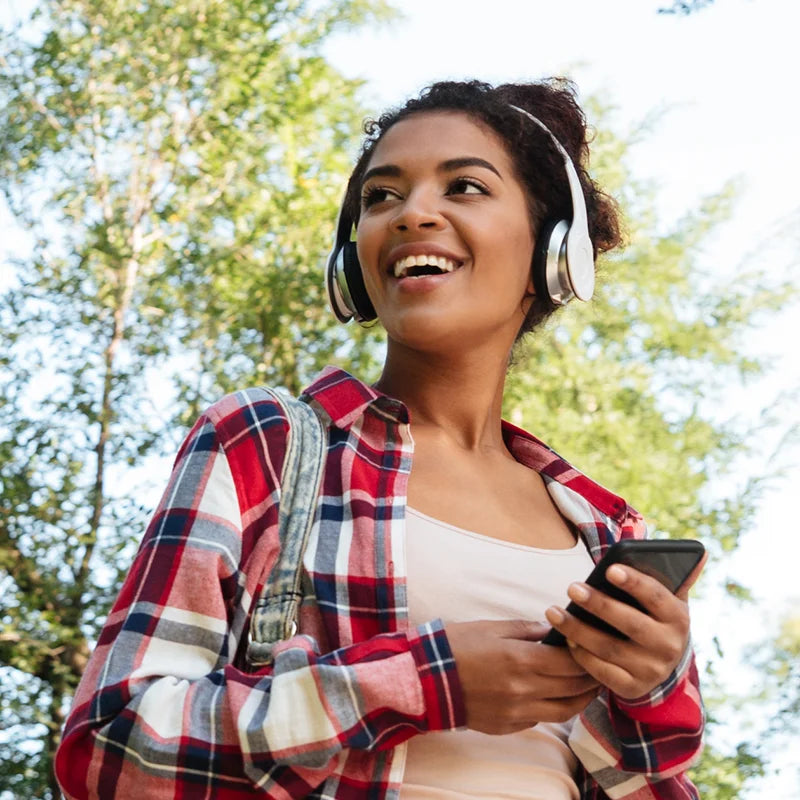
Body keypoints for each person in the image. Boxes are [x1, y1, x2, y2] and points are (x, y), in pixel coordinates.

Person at [55, 78, 706, 800]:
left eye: (463, 187)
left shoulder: (602, 527)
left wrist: (653, 695)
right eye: (380, 197)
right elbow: (112, 747)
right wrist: (422, 684)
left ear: (551, 251)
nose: (410, 213)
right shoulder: (265, 445)